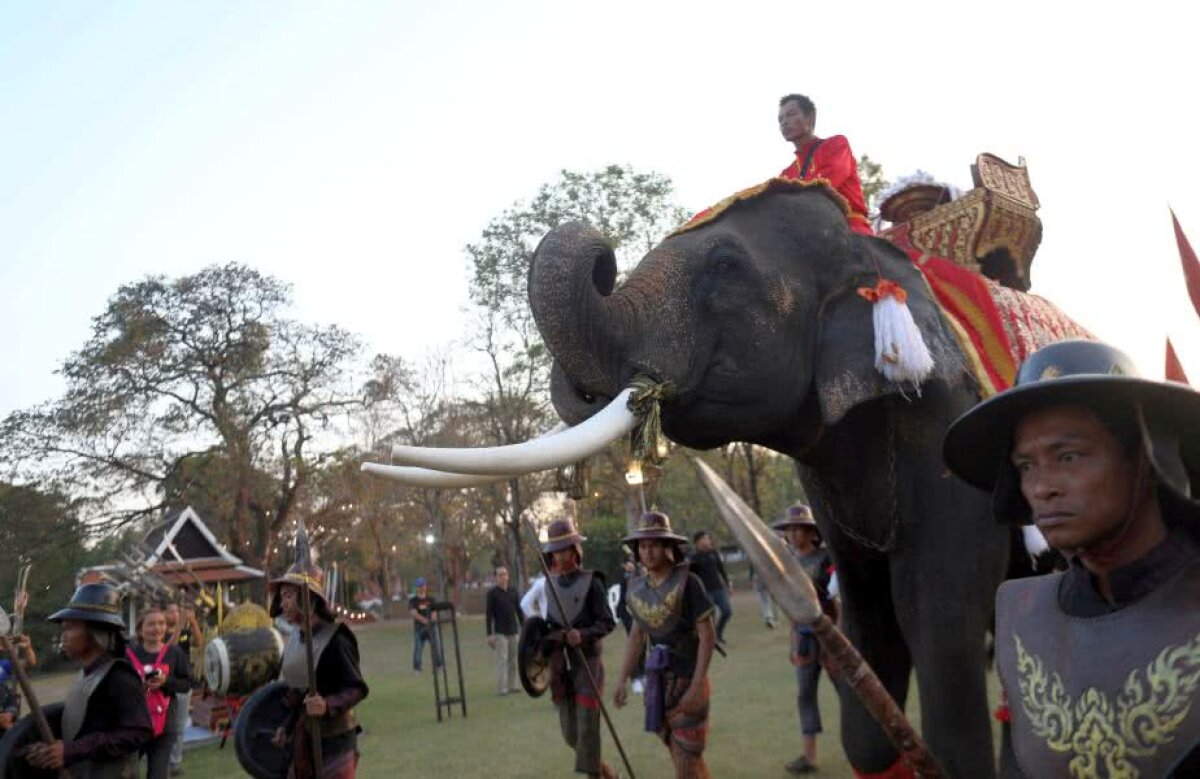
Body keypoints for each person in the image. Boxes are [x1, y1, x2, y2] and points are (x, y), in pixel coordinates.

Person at [942, 339, 1200, 777]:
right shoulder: (1024, 615)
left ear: (1144, 459)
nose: (1043, 487)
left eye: (1068, 457)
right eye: (1027, 466)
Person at [614, 511, 717, 778]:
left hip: (688, 678)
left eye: (654, 545)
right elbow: (637, 636)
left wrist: (696, 685)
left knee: (686, 760)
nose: (647, 552)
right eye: (643, 546)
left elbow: (707, 635)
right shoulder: (636, 588)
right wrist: (623, 678)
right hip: (658, 682)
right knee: (679, 754)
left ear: (668, 547)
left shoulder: (688, 582)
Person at [19, 582, 152, 775]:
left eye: (70, 628)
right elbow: (81, 728)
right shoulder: (86, 674)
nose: (63, 637)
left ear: (96, 632)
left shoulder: (119, 677)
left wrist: (73, 750)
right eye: (63, 629)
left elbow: (138, 732)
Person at [269, 557, 369, 778]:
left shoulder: (336, 639)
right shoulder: (296, 638)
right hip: (305, 740)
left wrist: (327, 704)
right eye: (282, 596)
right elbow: (299, 694)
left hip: (336, 741)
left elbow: (357, 688)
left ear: (308, 598)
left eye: (288, 596)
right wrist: (285, 727)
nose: (282, 603)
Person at [541, 517, 617, 778]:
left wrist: (582, 635)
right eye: (556, 551)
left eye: (565, 549)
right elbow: (548, 626)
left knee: (587, 727)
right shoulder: (549, 586)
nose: (561, 556)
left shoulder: (591, 582)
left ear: (575, 550)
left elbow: (607, 621)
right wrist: (552, 639)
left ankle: (594, 775)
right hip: (561, 666)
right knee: (571, 733)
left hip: (588, 662)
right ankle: (606, 772)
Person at [775, 503, 840, 775]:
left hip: (830, 635)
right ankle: (810, 756)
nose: (793, 533)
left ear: (812, 531)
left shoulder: (827, 558)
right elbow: (790, 605)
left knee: (848, 693)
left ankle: (869, 744)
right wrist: (792, 639)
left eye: (799, 527)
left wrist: (837, 637)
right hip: (803, 638)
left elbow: (837, 600)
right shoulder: (787, 562)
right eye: (790, 528)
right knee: (805, 694)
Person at [777, 93, 873, 236]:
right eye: (780, 119)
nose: (784, 122)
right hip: (809, 234)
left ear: (810, 117)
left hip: (850, 228)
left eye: (791, 114)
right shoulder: (786, 174)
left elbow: (825, 184)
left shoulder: (836, 144)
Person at [130, 605, 193, 779]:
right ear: (140, 630)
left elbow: (187, 683)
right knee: (127, 772)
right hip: (134, 726)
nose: (157, 628)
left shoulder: (174, 653)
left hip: (164, 725)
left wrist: (166, 682)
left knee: (157, 774)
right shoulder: (129, 655)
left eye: (161, 623)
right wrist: (138, 687)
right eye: (151, 624)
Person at [164, 600, 202, 776]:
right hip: (165, 684)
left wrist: (193, 621)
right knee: (164, 724)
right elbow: (169, 648)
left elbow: (198, 642)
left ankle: (175, 763)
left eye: (177, 611)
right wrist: (180, 624)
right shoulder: (161, 632)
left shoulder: (184, 631)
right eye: (171, 611)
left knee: (179, 724)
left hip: (183, 683)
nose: (175, 614)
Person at [485, 566, 524, 696]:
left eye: (505, 574)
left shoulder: (513, 591)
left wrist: (524, 626)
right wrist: (489, 634)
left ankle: (513, 685)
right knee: (502, 659)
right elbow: (489, 614)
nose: (503, 577)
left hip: (513, 630)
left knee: (514, 659)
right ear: (496, 578)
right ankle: (502, 687)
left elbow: (518, 610)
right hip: (500, 631)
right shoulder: (492, 593)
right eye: (500, 575)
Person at [688, 531, 732, 644]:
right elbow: (691, 577)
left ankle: (718, 633)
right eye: (705, 539)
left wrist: (728, 583)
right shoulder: (694, 558)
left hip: (719, 589)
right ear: (698, 542)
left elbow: (721, 569)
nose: (708, 541)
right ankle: (711, 640)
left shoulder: (714, 553)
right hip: (705, 592)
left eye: (708, 538)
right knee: (710, 618)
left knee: (727, 611)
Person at [408, 577, 442, 673]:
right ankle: (417, 668)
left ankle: (439, 666)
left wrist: (431, 622)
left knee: (436, 647)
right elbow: (414, 613)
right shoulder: (413, 601)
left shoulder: (431, 599)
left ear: (426, 586)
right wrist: (425, 621)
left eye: (423, 585)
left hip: (431, 627)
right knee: (418, 648)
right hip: (419, 628)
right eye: (419, 586)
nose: (422, 588)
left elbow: (434, 612)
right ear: (417, 588)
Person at [748, 563, 777, 629]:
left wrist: (750, 579)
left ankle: (768, 618)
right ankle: (772, 618)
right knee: (771, 600)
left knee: (765, 601)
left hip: (759, 578)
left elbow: (751, 569)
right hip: (767, 578)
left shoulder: (754, 556)